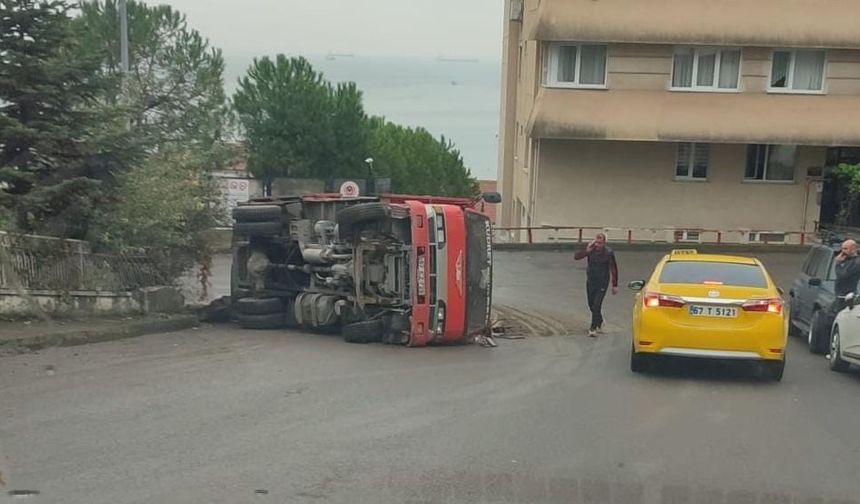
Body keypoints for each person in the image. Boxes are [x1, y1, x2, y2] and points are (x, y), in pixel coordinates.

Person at [574, 233, 619, 337]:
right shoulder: (591, 250)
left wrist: (614, 284)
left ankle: (593, 328)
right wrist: (587, 251)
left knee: (597, 304)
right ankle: (600, 321)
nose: (598, 245)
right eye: (596, 242)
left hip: (602, 282)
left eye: (600, 243)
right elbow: (576, 257)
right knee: (591, 304)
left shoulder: (608, 252)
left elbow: (614, 269)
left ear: (604, 243)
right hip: (591, 280)